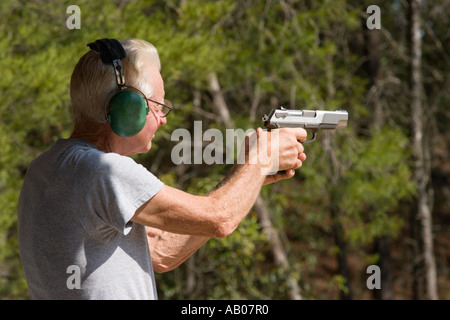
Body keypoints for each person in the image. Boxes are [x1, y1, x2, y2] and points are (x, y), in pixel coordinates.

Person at [17, 38, 307, 299]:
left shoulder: (46, 168)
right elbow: (221, 219)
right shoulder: (103, 170)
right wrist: (258, 160)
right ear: (127, 108)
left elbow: (160, 252)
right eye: (157, 106)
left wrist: (251, 178)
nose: (163, 119)